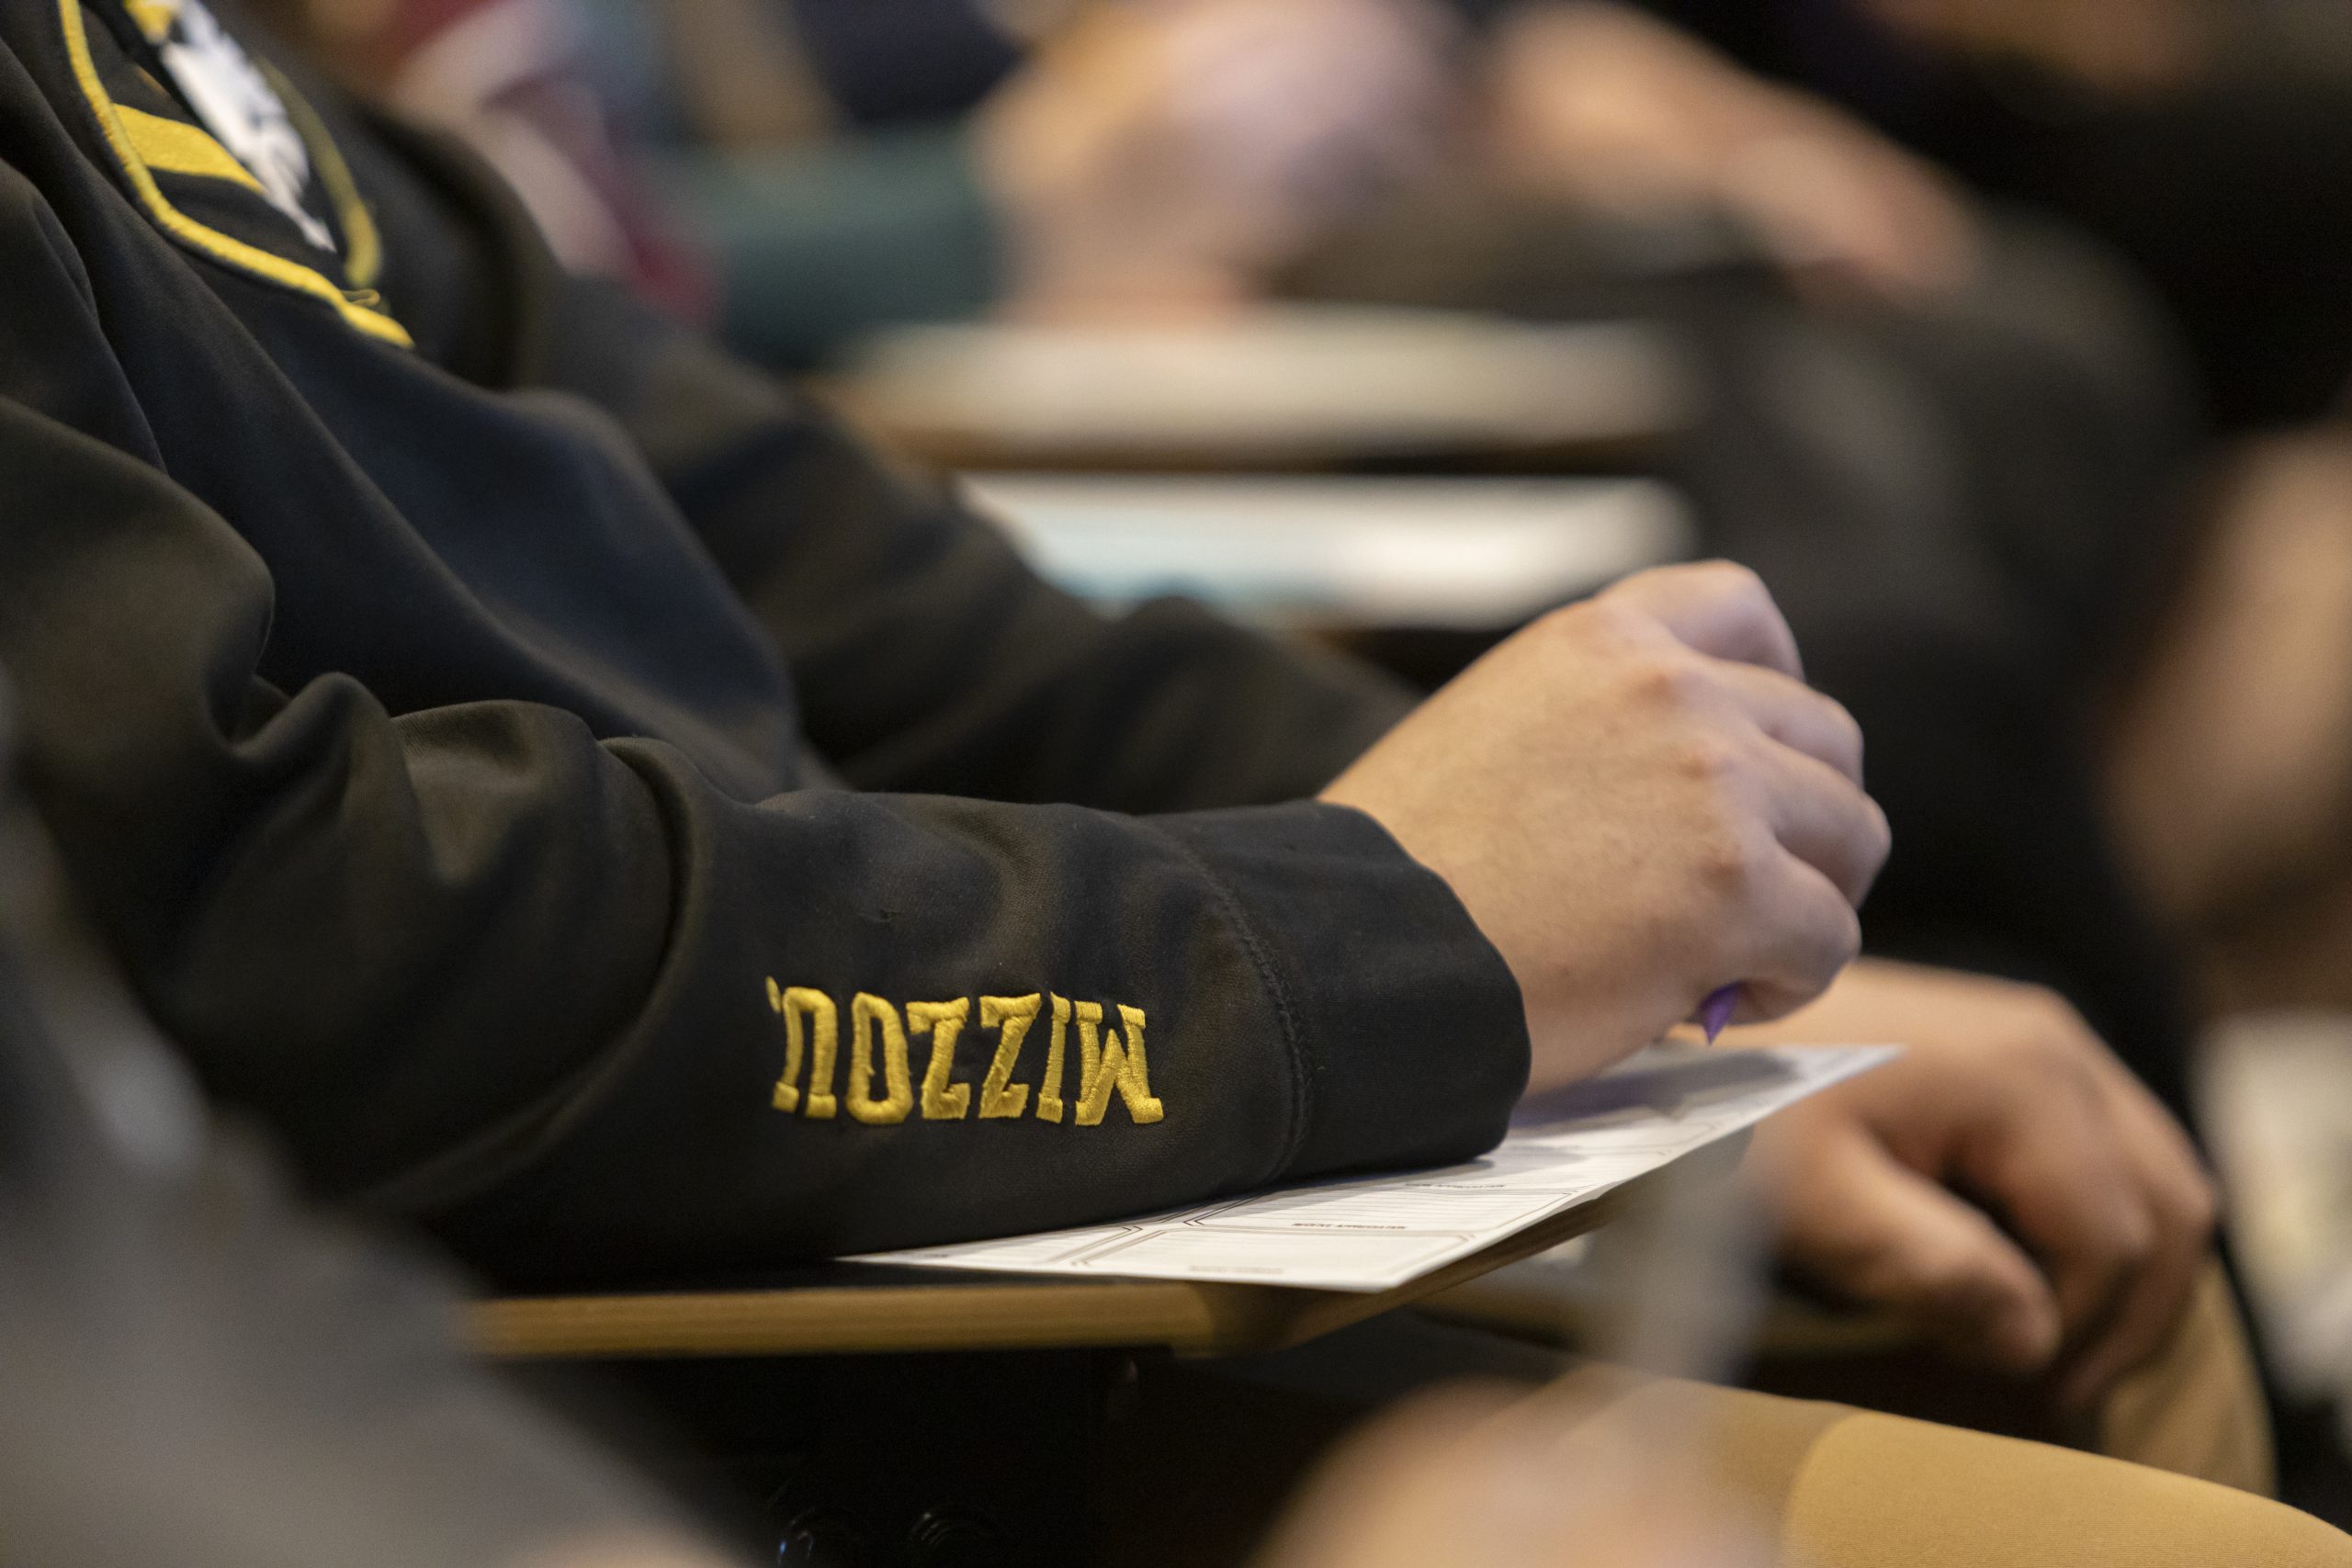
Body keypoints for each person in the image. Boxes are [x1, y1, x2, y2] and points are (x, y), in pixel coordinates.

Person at [0, 0, 2230, 1470]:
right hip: (578, 1366)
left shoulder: (149, 45)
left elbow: (819, 554)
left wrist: (1663, 992)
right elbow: (285, 931)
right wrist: (1374, 944)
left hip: (839, 1205)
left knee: (2083, 1296)